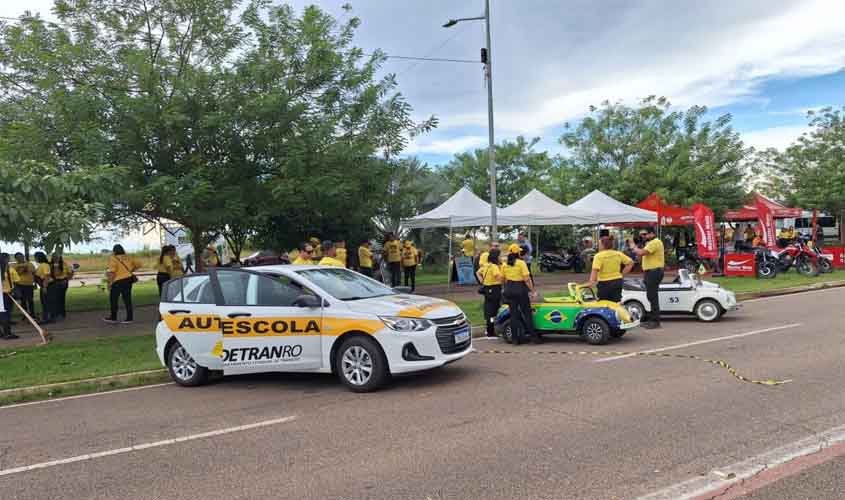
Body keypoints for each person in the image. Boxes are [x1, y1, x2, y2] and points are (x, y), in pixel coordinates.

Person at [502, 243, 540, 345]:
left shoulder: (505, 264)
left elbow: (503, 279)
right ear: (517, 252)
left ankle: (515, 339)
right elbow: (527, 279)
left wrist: (506, 288)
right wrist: (532, 291)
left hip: (509, 289)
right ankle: (533, 337)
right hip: (520, 289)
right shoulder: (521, 263)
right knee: (527, 313)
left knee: (513, 315)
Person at [629, 227, 665, 329]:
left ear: (652, 234)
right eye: (641, 235)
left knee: (652, 296)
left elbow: (641, 253)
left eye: (645, 234)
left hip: (654, 271)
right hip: (650, 272)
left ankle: (655, 321)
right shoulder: (649, 244)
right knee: (651, 296)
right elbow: (640, 258)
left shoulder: (655, 242)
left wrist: (633, 246)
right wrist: (638, 248)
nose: (643, 236)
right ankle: (652, 318)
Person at [584, 237, 633, 303]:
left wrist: (591, 282)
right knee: (616, 303)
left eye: (599, 244)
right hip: (617, 281)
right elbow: (630, 263)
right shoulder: (618, 254)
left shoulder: (598, 256)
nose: (598, 246)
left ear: (603, 245)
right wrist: (622, 274)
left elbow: (595, 270)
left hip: (604, 283)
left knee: (603, 303)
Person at [104, 244, 141, 324]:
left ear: (114, 251)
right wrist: (130, 271)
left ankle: (113, 317)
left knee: (114, 299)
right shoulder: (128, 257)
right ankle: (129, 318)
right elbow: (138, 264)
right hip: (128, 279)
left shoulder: (113, 258)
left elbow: (112, 272)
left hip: (117, 281)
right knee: (127, 299)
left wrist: (109, 283)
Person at [476, 247, 503, 338]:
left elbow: (478, 273)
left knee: (489, 310)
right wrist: (503, 281)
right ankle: (492, 331)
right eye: (499, 256)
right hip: (495, 289)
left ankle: (489, 330)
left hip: (487, 290)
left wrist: (482, 282)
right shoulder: (494, 267)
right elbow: (498, 276)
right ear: (496, 257)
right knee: (495, 310)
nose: (500, 257)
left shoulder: (486, 265)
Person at [47, 252, 73, 321]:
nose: (56, 258)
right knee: (53, 299)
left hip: (62, 283)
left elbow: (70, 273)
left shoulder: (64, 264)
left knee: (61, 298)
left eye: (57, 257)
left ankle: (61, 313)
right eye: (54, 257)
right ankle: (54, 314)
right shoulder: (49, 265)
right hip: (53, 283)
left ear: (60, 257)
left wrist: (67, 280)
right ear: (52, 257)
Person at [1, 254, 20, 339]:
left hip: (3, 294)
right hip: (6, 295)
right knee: (6, 314)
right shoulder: (10, 270)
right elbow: (16, 281)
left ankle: (2, 333)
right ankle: (7, 333)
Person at [13, 252, 36, 317]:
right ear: (16, 258)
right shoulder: (14, 266)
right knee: (22, 300)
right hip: (19, 285)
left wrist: (35, 283)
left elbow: (34, 273)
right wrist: (22, 269)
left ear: (23, 256)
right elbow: (14, 274)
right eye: (18, 257)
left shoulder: (30, 264)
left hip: (29, 285)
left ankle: (32, 314)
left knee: (30, 300)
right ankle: (25, 315)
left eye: (21, 256)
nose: (20, 258)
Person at [34, 252, 52, 323]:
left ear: (39, 258)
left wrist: (44, 287)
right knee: (44, 302)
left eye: (36, 257)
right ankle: (46, 317)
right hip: (44, 285)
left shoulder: (45, 265)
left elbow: (47, 276)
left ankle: (46, 318)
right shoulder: (42, 265)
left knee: (45, 302)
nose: (35, 259)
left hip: (46, 285)